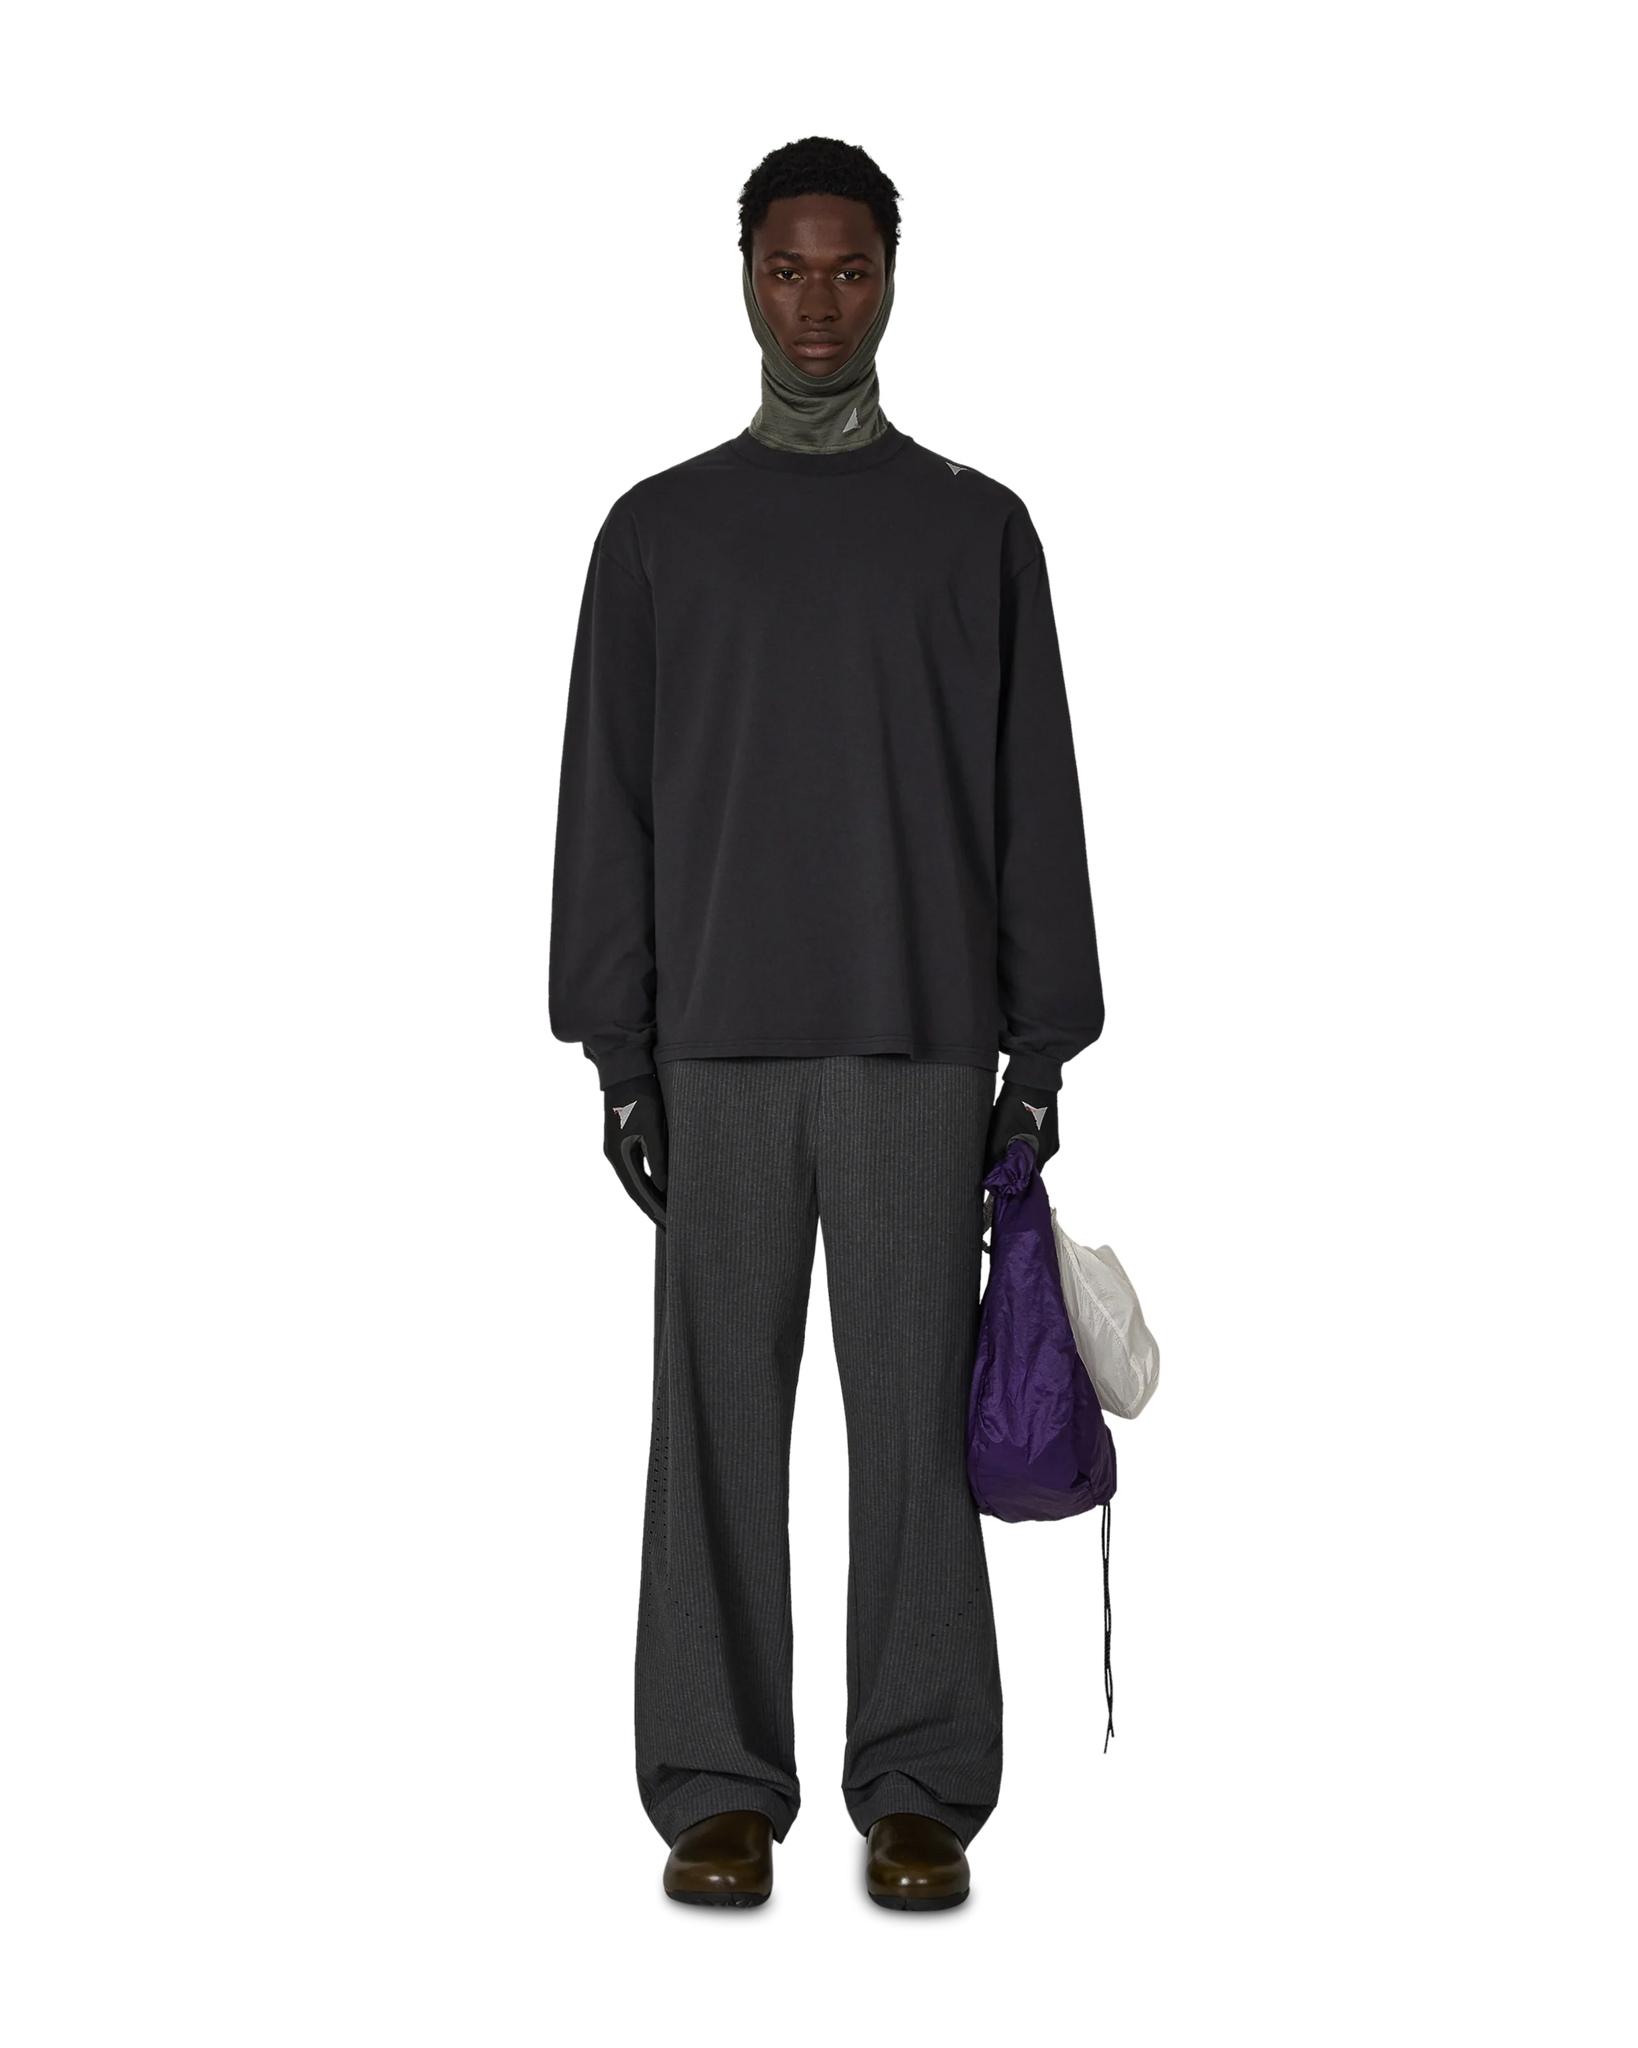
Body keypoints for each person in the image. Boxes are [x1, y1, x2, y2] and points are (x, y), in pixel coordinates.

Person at [547, 131, 1105, 1911]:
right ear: (738, 276)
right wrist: (614, 1052)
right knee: (711, 1418)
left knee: (916, 1423)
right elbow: (606, 804)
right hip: (713, 1040)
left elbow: (1032, 804)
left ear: (891, 280)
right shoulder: (655, 529)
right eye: (785, 267)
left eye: (847, 268)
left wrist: (1039, 1055)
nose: (816, 302)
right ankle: (715, 1780)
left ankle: (920, 1779)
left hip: (921, 1034)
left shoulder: (976, 524)